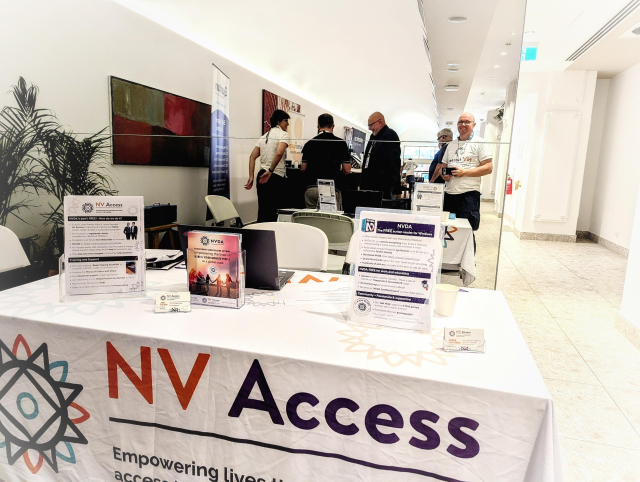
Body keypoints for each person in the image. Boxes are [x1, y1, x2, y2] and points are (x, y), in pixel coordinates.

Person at [441, 113, 493, 233]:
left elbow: (489, 167)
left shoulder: (480, 142)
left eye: (467, 122)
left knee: (466, 232)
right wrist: (444, 175)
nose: (463, 124)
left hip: (468, 195)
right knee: (448, 231)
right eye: (460, 122)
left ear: (473, 125)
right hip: (449, 194)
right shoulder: (451, 145)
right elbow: (443, 167)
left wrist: (464, 173)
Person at [245, 109, 291, 222]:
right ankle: (274, 237)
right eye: (286, 121)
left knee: (263, 209)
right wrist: (270, 171)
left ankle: (261, 236)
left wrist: (251, 176)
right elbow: (279, 152)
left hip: (261, 175)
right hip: (274, 176)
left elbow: (252, 156)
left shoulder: (263, 137)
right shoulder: (284, 135)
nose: (288, 124)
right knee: (274, 211)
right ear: (279, 121)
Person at [301, 113, 351, 208]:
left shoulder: (309, 144)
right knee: (330, 220)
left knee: (311, 220)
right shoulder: (341, 144)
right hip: (331, 189)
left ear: (318, 127)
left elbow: (303, 168)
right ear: (333, 126)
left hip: (312, 188)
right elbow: (347, 169)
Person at [360, 112, 401, 199]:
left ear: (380, 122)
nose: (369, 128)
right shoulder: (373, 136)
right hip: (371, 184)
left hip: (383, 186)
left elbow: (394, 163)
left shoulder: (390, 135)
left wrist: (389, 186)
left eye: (371, 125)